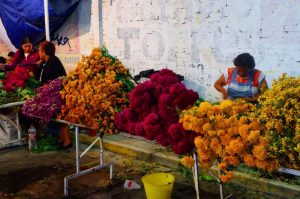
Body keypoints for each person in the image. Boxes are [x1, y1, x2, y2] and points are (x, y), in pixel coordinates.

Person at [38, 41, 71, 149]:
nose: (38, 53)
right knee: (58, 118)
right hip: (52, 94)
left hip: (58, 94)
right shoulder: (47, 62)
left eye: (40, 50)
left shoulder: (53, 61)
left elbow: (58, 79)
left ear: (44, 51)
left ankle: (67, 141)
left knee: (61, 118)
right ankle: (62, 139)